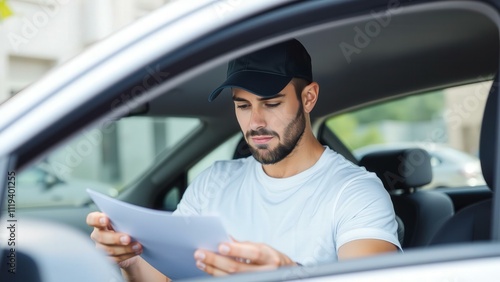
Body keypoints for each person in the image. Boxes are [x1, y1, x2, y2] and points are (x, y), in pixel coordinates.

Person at [87, 39, 401, 281]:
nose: (255, 122)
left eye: (272, 103)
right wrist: (130, 262)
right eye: (243, 105)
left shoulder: (355, 192)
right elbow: (166, 276)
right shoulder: (214, 181)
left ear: (308, 98)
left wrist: (287, 273)